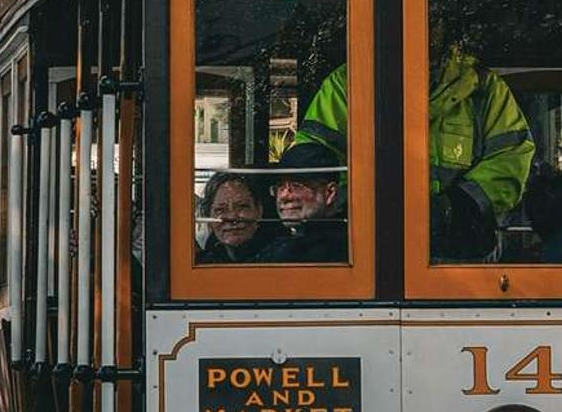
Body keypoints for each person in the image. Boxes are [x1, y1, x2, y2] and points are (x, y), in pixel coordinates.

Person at [294, 35, 534, 261]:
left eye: (432, 17)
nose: (419, 29)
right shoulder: (348, 84)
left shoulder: (483, 89)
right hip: (366, 256)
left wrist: (456, 207)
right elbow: (312, 164)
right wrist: (362, 210)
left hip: (461, 256)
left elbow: (511, 158)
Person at [249, 142, 349, 264]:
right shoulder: (282, 241)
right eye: (280, 186)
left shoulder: (336, 248)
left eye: (297, 186)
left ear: (330, 193)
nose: (284, 196)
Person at [195, 172, 285, 264]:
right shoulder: (206, 262)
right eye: (220, 210)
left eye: (242, 207)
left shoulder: (283, 256)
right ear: (209, 216)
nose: (232, 217)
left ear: (259, 210)